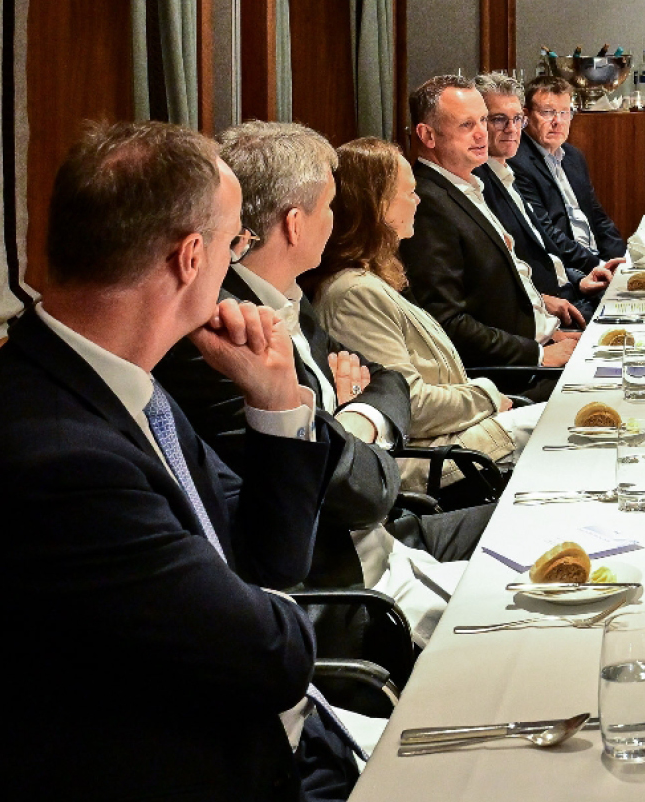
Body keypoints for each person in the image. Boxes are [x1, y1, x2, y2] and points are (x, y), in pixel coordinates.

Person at [0, 123, 333, 802]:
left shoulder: (122, 390)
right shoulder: (57, 457)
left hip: (250, 766)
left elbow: (268, 560)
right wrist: (281, 622)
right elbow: (271, 651)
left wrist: (276, 404)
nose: (233, 271)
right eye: (234, 247)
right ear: (190, 257)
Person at [155, 120, 491, 637]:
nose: (335, 222)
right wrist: (338, 430)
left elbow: (388, 382)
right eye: (330, 207)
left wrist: (352, 419)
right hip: (351, 594)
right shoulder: (222, 338)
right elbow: (363, 494)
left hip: (389, 544)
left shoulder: (289, 297)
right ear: (294, 223)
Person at [308, 137, 547, 488]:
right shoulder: (353, 293)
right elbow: (409, 404)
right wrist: (487, 396)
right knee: (567, 425)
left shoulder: (373, 279)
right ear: (379, 207)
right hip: (435, 455)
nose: (418, 200)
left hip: (458, 432)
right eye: (409, 193)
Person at [399, 74, 579, 371]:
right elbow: (447, 323)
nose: (482, 134)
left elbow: (497, 293)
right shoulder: (427, 203)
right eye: (466, 125)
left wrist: (549, 332)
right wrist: (537, 355)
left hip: (541, 342)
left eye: (483, 121)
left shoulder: (469, 185)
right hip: (510, 374)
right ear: (428, 136)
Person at [475, 73, 611, 323]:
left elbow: (596, 219)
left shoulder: (508, 172)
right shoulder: (484, 181)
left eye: (516, 119)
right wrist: (542, 299)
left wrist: (584, 278)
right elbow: (493, 281)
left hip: (571, 288)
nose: (512, 128)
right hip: (547, 313)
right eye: (499, 119)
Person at [509, 74, 629, 276]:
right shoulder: (517, 162)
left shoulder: (574, 157)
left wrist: (621, 261)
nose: (558, 121)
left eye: (565, 112)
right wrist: (598, 265)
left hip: (597, 261)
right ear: (526, 116)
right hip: (568, 272)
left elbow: (598, 218)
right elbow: (545, 232)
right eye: (548, 112)